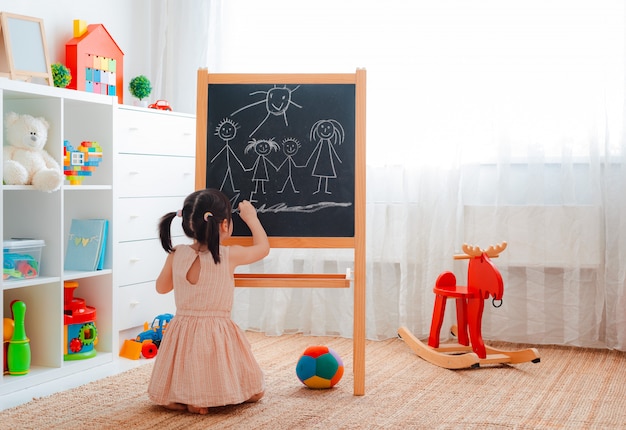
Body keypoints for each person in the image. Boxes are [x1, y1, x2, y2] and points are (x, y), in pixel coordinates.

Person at [147, 188, 270, 414]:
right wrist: (252, 219)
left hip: (182, 330)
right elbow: (263, 249)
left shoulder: (177, 253)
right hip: (216, 332)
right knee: (255, 391)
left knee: (192, 366)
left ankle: (186, 398)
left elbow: (161, 288)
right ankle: (199, 399)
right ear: (224, 225)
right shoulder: (228, 254)